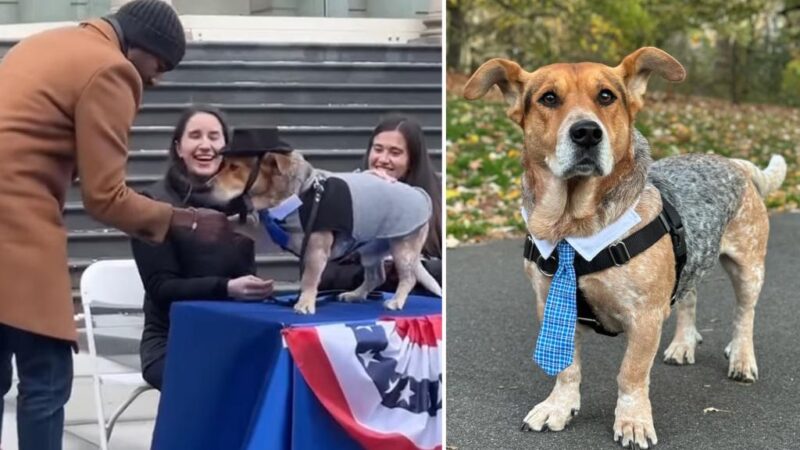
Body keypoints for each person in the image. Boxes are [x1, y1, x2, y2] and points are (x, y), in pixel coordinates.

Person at [0, 2, 231, 449]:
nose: (156, 78)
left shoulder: (42, 44)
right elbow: (105, 197)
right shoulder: (112, 69)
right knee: (44, 380)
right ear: (140, 47)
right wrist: (187, 221)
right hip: (16, 228)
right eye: (160, 65)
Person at [131, 107, 274, 391]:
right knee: (218, 380)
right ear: (178, 147)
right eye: (195, 136)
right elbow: (161, 288)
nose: (205, 145)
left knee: (284, 371)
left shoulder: (241, 202)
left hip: (234, 331)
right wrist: (227, 287)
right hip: (172, 339)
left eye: (214, 137)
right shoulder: (151, 203)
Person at [319, 115, 442, 293]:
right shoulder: (343, 193)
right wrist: (368, 273)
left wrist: (410, 268)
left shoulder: (436, 198)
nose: (383, 159)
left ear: (412, 160)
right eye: (378, 149)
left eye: (395, 152)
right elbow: (322, 271)